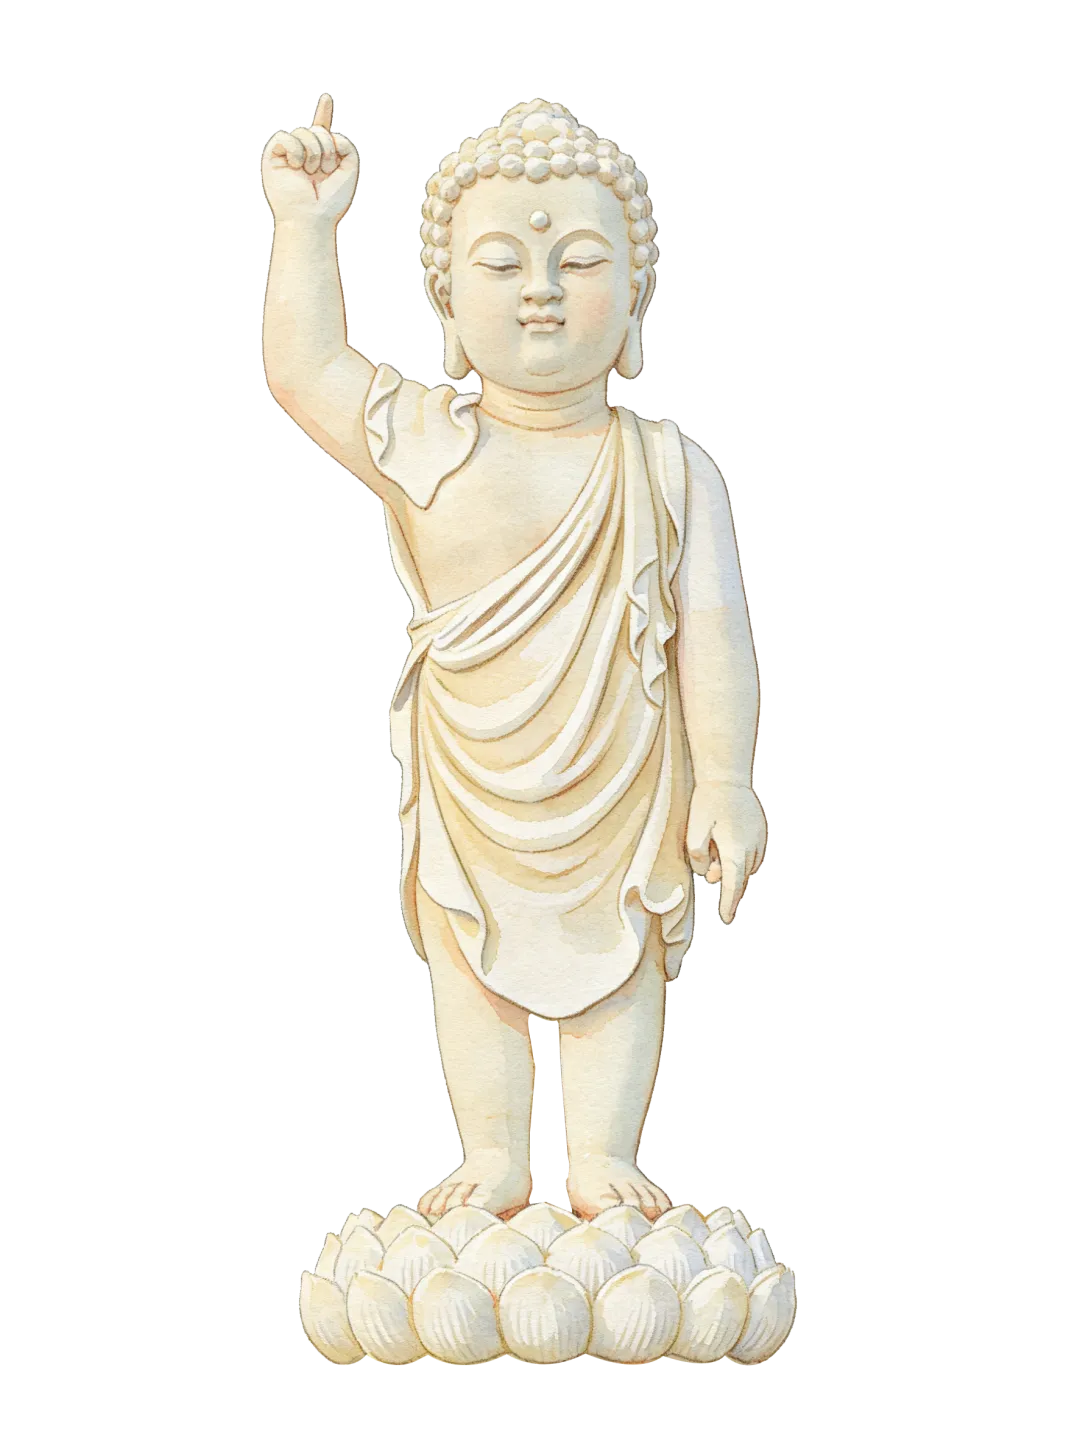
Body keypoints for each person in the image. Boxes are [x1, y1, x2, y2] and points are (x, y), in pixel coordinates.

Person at [262, 95, 767, 1222]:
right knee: (465, 945)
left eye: (578, 260)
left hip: (624, 773)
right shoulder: (426, 439)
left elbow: (716, 633)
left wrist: (729, 783)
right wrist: (306, 224)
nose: (541, 288)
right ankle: (493, 1156)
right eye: (501, 263)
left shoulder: (667, 462)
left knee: (626, 946)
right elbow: (303, 368)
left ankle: (601, 1158)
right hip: (471, 774)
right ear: (444, 294)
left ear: (637, 288)